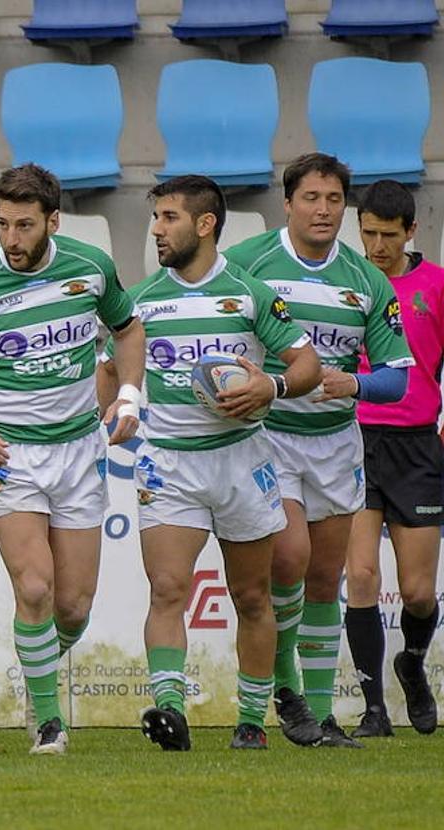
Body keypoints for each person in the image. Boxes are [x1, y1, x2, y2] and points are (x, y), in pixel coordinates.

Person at [0, 164, 146, 754]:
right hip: (7, 455)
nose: (12, 238)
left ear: (53, 220)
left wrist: (128, 394)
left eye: (24, 225)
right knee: (37, 588)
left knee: (73, 607)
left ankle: (35, 672)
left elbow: (128, 329)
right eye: (2, 225)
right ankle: (48, 720)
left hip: (77, 451)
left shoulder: (90, 268)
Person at [101, 175, 322, 751]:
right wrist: (117, 405)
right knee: (168, 588)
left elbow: (308, 365)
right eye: (155, 218)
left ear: (205, 224)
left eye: (169, 217)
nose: (156, 229)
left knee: (252, 596)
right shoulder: (141, 301)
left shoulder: (250, 294)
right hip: (168, 464)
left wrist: (269, 387)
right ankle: (170, 711)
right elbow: (111, 369)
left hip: (240, 460)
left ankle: (252, 720)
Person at [225, 154, 413, 748]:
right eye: (311, 198)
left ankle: (320, 712)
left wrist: (352, 382)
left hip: (335, 441)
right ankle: (286, 693)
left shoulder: (367, 281)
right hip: (268, 434)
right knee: (289, 558)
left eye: (333, 199)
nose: (323, 209)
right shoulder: (250, 263)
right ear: (288, 204)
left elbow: (398, 378)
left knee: (325, 577)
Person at [345, 179, 442, 737]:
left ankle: (411, 660)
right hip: (354, 441)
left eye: (387, 235)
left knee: (419, 592)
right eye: (368, 235)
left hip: (417, 445)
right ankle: (374, 710)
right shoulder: (348, 281)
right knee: (359, 576)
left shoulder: (437, 285)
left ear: (411, 231)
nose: (377, 247)